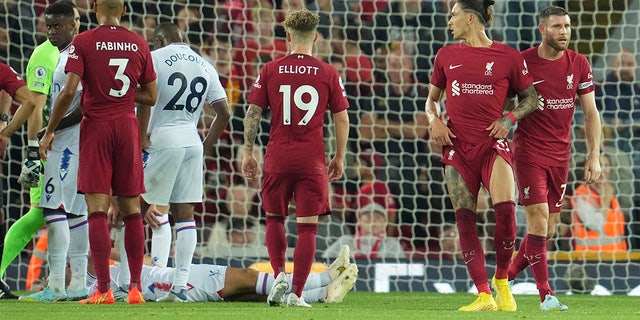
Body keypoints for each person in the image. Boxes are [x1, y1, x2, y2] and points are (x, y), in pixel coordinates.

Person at [38, 0, 158, 305]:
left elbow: (68, 90)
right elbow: (151, 96)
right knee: (132, 211)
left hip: (97, 128)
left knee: (96, 210)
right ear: (124, 11)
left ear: (94, 10)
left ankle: (103, 288)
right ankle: (134, 289)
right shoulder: (138, 42)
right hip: (127, 126)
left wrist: (50, 128)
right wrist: (125, 95)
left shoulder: (84, 41)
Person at [425, 0, 538, 312]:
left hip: (492, 144)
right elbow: (430, 101)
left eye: (453, 15)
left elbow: (532, 99)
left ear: (470, 18)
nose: (449, 21)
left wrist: (508, 119)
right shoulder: (445, 55)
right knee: (465, 219)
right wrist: (434, 120)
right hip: (457, 148)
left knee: (505, 212)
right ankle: (484, 294)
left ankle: (502, 279)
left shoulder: (508, 57)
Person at [241, 9, 350, 308]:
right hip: (311, 160)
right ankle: (296, 293)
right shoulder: (329, 72)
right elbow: (342, 119)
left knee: (274, 219)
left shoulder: (270, 69)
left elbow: (253, 113)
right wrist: (339, 156)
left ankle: (279, 275)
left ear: (287, 36)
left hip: (277, 156)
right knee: (307, 227)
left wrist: (248, 151)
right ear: (315, 37)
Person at [506, 6, 602, 312]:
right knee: (536, 222)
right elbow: (505, 100)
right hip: (529, 152)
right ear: (542, 29)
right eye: (558, 26)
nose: (564, 32)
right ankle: (546, 295)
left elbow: (590, 113)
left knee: (546, 231)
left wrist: (594, 156)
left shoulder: (579, 63)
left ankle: (503, 278)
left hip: (561, 156)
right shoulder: (522, 62)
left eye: (567, 26)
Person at [135, 22, 230, 302]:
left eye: (154, 41)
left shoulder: (153, 58)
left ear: (161, 39)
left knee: (137, 209)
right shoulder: (205, 64)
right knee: (185, 215)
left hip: (163, 139)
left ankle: (137, 281)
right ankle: (179, 286)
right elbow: (223, 113)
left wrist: (141, 138)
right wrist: (206, 147)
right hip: (192, 140)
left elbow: (144, 102)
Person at [11, 1, 90, 303]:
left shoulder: (77, 54)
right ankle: (79, 284)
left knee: (54, 208)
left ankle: (56, 286)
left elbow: (83, 104)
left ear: (74, 24)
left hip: (69, 142)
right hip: (72, 140)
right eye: (49, 26)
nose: (53, 31)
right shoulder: (61, 55)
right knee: (76, 212)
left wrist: (50, 129)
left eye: (59, 25)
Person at [571, 153, 627, 252]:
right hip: (592, 259)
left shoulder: (608, 193)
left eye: (606, 165)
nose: (603, 169)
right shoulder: (581, 195)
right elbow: (595, 224)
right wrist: (605, 201)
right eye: (600, 165)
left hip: (618, 257)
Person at [322, 203, 405, 260]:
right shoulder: (346, 241)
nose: (372, 218)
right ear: (359, 221)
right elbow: (324, 260)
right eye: (368, 215)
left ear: (384, 224)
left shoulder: (391, 244)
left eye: (377, 217)